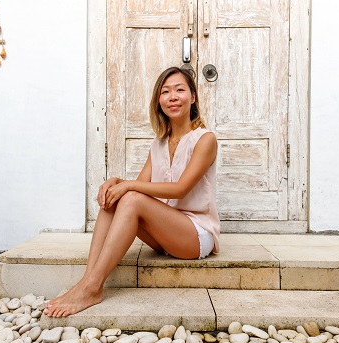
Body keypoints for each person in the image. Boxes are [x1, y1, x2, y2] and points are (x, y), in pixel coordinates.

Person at [43, 67, 220, 318]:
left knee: (129, 195)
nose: (172, 97)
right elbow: (136, 193)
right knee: (113, 200)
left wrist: (126, 185)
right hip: (167, 234)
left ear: (193, 98)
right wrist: (117, 182)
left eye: (180, 90)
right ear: (158, 101)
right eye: (165, 92)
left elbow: (180, 189)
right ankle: (87, 281)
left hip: (196, 235)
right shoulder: (158, 144)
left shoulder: (205, 139)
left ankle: (93, 288)